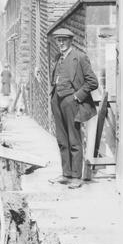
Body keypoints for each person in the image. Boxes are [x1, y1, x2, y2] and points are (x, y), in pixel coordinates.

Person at [47, 27, 98, 189]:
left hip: (72, 101)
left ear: (71, 41)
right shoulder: (57, 57)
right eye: (58, 40)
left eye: (64, 40)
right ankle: (66, 173)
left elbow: (92, 82)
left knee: (74, 139)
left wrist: (77, 97)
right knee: (62, 139)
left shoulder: (80, 58)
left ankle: (76, 176)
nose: (61, 43)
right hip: (57, 100)